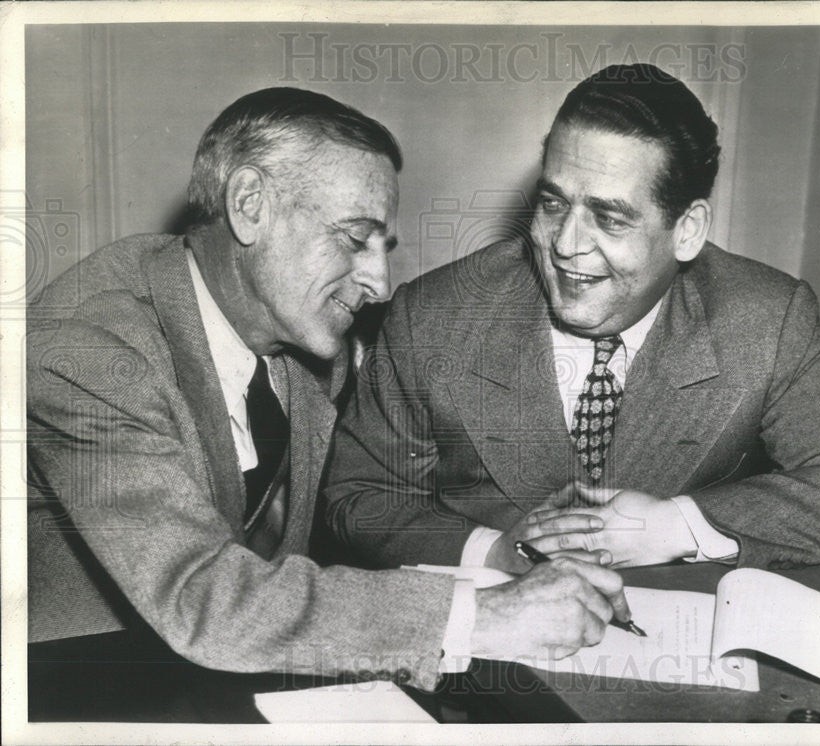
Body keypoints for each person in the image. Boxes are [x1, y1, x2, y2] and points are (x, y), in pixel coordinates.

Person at [26, 87, 631, 695]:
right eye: (353, 238)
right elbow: (202, 599)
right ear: (249, 204)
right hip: (79, 688)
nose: (378, 280)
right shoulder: (88, 349)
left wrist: (509, 546)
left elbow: (369, 495)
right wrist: (485, 617)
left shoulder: (304, 339)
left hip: (239, 677)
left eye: (382, 248)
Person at [326, 64, 820, 575]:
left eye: (609, 218)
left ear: (687, 230)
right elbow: (359, 495)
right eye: (553, 204)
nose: (566, 245)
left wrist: (673, 526)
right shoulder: (435, 315)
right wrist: (491, 552)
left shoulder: (766, 319)